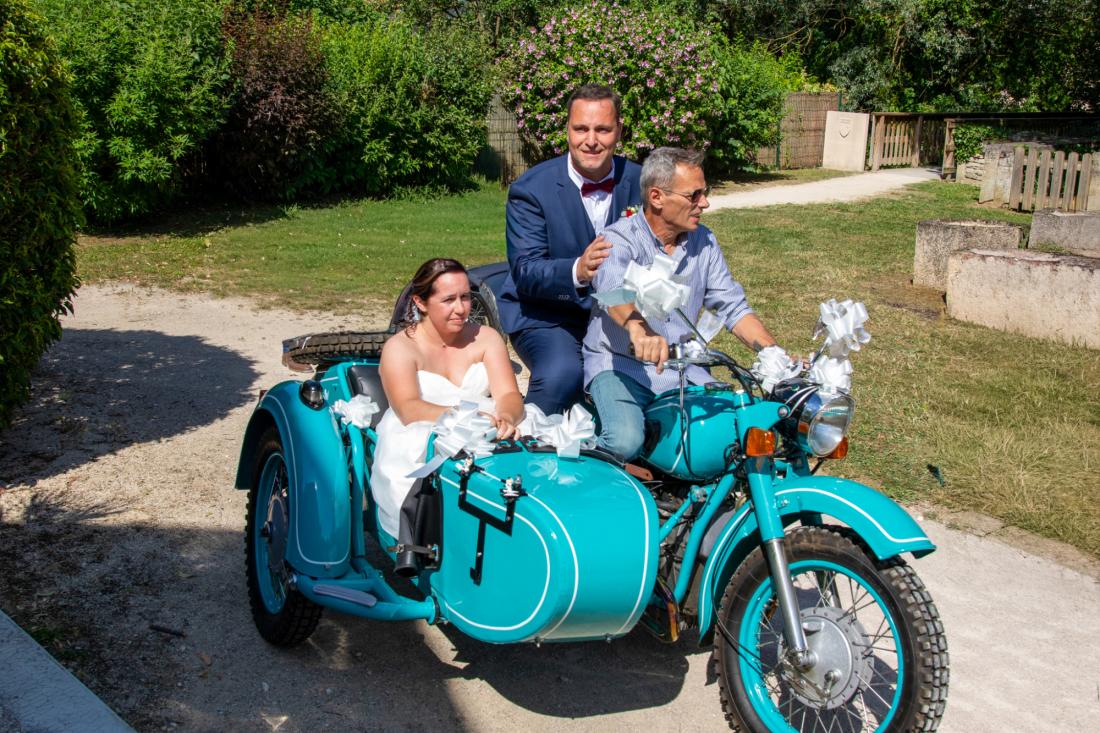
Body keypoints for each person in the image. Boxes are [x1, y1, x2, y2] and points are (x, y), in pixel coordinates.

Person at [583, 147, 782, 462]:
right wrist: (639, 330)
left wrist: (775, 355)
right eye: (694, 195)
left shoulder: (704, 242)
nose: (704, 203)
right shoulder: (619, 238)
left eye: (705, 193)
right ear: (657, 197)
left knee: (734, 431)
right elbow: (612, 289)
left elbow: (732, 307)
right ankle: (598, 481)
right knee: (624, 441)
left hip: (684, 370)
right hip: (622, 366)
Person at [498, 84, 642, 414]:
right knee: (563, 375)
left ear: (619, 131)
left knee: (660, 372)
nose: (591, 140)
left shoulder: (642, 182)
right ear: (567, 130)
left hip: (623, 312)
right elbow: (526, 271)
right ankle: (532, 437)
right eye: (581, 129)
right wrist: (578, 270)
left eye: (602, 129)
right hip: (548, 313)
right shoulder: (531, 190)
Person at [372, 258, 525, 566]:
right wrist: (463, 417)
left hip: (487, 422)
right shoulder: (400, 348)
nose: (461, 308)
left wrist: (507, 417)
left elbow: (509, 394)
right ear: (420, 302)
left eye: (465, 297)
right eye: (448, 300)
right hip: (422, 426)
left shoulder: (486, 338)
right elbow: (407, 407)